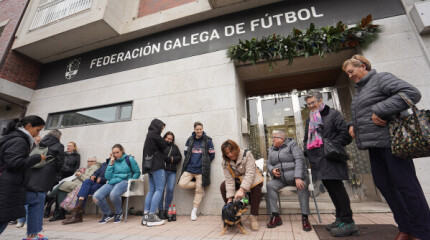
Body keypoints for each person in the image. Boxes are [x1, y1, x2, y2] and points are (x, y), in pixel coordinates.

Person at [343, 55, 430, 240]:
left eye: (351, 71)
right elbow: (364, 112)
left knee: (406, 187)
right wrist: (352, 125)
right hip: (374, 145)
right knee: (386, 186)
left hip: (393, 143)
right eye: (347, 73)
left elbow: (411, 93)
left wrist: (381, 109)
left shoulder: (380, 79)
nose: (350, 76)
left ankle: (423, 232)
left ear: (364, 66)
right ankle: (406, 228)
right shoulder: (360, 90)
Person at [303, 91, 356, 237]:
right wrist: (306, 151)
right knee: (331, 189)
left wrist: (329, 145)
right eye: (308, 104)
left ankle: (348, 222)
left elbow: (345, 135)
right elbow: (306, 138)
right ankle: (340, 218)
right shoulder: (310, 120)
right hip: (317, 160)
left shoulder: (333, 114)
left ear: (320, 100)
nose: (311, 106)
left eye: (313, 102)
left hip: (331, 157)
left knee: (337, 189)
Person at [0, 116, 46, 235]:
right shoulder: (19, 140)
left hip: (13, 185)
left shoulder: (16, 138)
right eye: (38, 130)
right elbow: (15, 163)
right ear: (28, 126)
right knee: (4, 217)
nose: (38, 134)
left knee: (37, 198)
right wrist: (37, 158)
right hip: (7, 187)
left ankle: (33, 234)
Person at [266, 130, 311, 231]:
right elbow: (268, 164)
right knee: (270, 185)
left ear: (281, 139)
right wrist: (272, 170)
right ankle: (275, 215)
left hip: (296, 177)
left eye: (274, 137)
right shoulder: (271, 150)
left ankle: (305, 217)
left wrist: (298, 177)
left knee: (302, 185)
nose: (272, 140)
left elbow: (300, 160)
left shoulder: (292, 145)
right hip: (281, 179)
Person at [25, 129, 65, 239]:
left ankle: (33, 234)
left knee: (34, 203)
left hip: (30, 176)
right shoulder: (59, 146)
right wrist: (57, 175)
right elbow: (60, 163)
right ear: (58, 137)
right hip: (44, 177)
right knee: (38, 201)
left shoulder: (39, 144)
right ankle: (33, 235)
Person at [220, 139, 263, 231]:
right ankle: (233, 213)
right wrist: (230, 198)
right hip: (238, 180)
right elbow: (229, 180)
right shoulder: (225, 162)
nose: (230, 155)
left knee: (256, 186)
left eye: (231, 151)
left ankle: (253, 217)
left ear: (236, 148)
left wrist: (242, 189)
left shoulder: (247, 155)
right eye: (227, 153)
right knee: (223, 186)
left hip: (252, 177)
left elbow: (250, 173)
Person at [93, 144, 140, 224]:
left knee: (113, 194)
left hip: (124, 181)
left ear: (122, 151)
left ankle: (118, 213)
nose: (116, 155)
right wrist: (111, 163)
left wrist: (130, 180)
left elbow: (137, 172)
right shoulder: (112, 161)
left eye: (117, 152)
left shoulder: (129, 159)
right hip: (112, 182)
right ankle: (108, 213)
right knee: (96, 197)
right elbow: (107, 176)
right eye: (114, 153)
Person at [178, 121, 215, 221]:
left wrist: (205, 163)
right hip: (189, 168)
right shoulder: (190, 140)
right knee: (181, 183)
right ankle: (199, 186)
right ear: (194, 130)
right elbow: (186, 152)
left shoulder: (208, 140)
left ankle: (194, 211)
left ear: (202, 129)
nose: (199, 131)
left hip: (201, 170)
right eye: (197, 129)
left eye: (200, 129)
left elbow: (212, 154)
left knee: (198, 192)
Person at [49, 156, 100, 221]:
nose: (88, 162)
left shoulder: (95, 168)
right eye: (88, 161)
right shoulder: (86, 167)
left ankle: (49, 196)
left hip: (81, 185)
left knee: (63, 184)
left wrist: (80, 174)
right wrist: (77, 172)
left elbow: (88, 180)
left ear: (94, 162)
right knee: (62, 191)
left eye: (90, 161)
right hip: (75, 182)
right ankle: (60, 213)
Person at [62, 158, 109, 225]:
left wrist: (102, 180)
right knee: (86, 182)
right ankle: (79, 207)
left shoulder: (115, 165)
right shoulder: (104, 164)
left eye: (114, 154)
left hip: (103, 184)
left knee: (84, 191)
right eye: (111, 154)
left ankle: (78, 215)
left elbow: (112, 176)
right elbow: (98, 171)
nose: (112, 155)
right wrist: (94, 175)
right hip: (95, 181)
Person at [141, 119, 168, 227]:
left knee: (152, 190)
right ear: (157, 126)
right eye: (161, 127)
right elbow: (165, 146)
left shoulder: (148, 135)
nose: (162, 130)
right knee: (159, 189)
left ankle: (146, 215)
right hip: (157, 165)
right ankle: (152, 216)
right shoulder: (155, 136)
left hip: (149, 167)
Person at [45, 141, 80, 218]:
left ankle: (57, 211)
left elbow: (76, 168)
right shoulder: (63, 154)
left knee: (58, 193)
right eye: (67, 146)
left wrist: (68, 171)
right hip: (57, 176)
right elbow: (58, 164)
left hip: (68, 177)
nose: (68, 147)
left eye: (70, 146)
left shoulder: (77, 156)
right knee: (52, 192)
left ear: (74, 147)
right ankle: (48, 209)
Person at [158, 131, 182, 220]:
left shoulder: (175, 147)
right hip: (162, 171)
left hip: (172, 171)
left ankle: (166, 210)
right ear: (164, 138)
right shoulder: (160, 147)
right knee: (160, 190)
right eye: (168, 138)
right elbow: (161, 157)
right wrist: (170, 159)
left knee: (170, 190)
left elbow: (179, 157)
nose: (169, 140)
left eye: (171, 139)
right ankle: (160, 210)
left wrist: (171, 159)